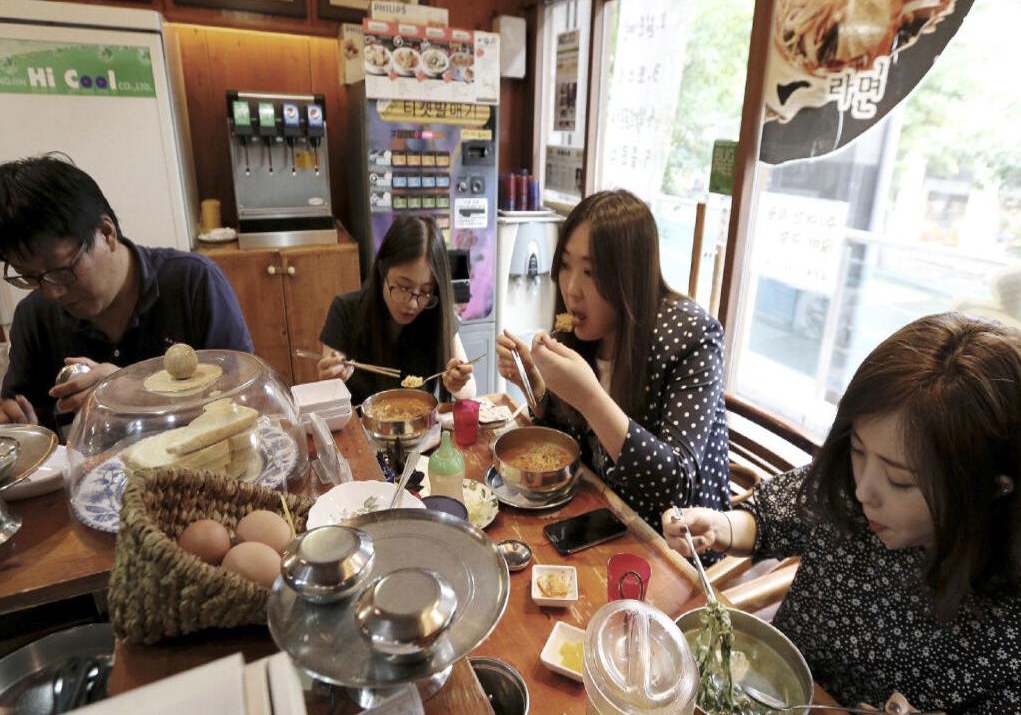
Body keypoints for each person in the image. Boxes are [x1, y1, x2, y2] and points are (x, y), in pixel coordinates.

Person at [664, 313, 1021, 714]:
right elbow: (771, 515)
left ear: (991, 489)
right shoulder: (846, 487)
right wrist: (719, 525)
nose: (864, 490)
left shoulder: (1007, 626)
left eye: (900, 480)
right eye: (858, 450)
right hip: (765, 694)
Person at [497, 189, 730, 534]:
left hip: (672, 544)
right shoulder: (580, 330)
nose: (572, 288)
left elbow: (677, 487)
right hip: (601, 512)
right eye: (565, 265)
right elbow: (571, 440)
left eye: (590, 272)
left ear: (630, 275)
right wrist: (534, 384)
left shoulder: (690, 336)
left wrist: (591, 398)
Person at [0, 154, 253, 429]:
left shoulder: (193, 281)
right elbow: (25, 416)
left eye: (60, 271)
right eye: (30, 277)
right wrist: (22, 425)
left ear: (106, 232)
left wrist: (139, 394)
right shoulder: (34, 316)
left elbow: (245, 396)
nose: (50, 292)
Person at [318, 215, 475, 405]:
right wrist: (332, 379)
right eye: (403, 287)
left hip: (419, 428)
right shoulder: (344, 310)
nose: (412, 304)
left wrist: (458, 383)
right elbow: (328, 399)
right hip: (363, 429)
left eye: (425, 291)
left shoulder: (435, 312)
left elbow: (470, 391)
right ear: (382, 269)